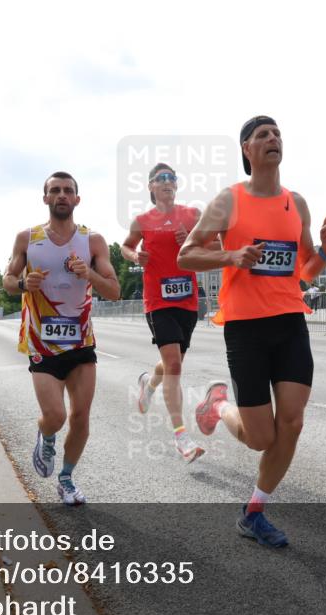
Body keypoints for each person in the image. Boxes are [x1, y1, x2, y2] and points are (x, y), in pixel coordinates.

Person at [178, 115, 326, 548]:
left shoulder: (296, 203)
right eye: (263, 135)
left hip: (289, 323)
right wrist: (231, 256)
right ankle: (218, 407)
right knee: (260, 438)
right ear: (246, 150)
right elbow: (186, 255)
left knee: (292, 422)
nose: (273, 139)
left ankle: (254, 512)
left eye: (277, 134)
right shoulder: (229, 201)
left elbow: (305, 271)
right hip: (245, 328)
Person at [5, 171, 120, 505]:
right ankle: (46, 435)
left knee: (80, 417)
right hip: (42, 343)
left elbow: (114, 291)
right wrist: (23, 284)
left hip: (81, 342)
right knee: (55, 416)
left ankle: (67, 479)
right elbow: (8, 279)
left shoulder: (93, 241)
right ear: (45, 198)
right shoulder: (27, 238)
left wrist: (89, 273)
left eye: (68, 190)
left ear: (77, 199)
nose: (61, 195)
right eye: (55, 190)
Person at [121, 163, 207, 463]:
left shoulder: (192, 215)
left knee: (172, 363)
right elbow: (126, 246)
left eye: (172, 178)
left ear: (177, 185)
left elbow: (215, 244)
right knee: (174, 364)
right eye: (161, 178)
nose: (168, 182)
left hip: (188, 302)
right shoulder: (142, 220)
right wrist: (136, 255)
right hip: (158, 301)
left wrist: (191, 240)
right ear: (151, 187)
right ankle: (182, 437)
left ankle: (149, 384)